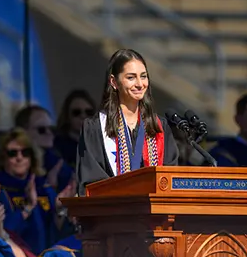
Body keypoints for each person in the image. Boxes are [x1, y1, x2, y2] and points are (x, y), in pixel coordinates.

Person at [76, 49, 179, 196]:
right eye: (131, 77)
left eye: (143, 76)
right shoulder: (95, 128)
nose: (140, 84)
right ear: (114, 82)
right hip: (113, 214)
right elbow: (91, 184)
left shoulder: (159, 127)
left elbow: (170, 179)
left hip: (154, 216)